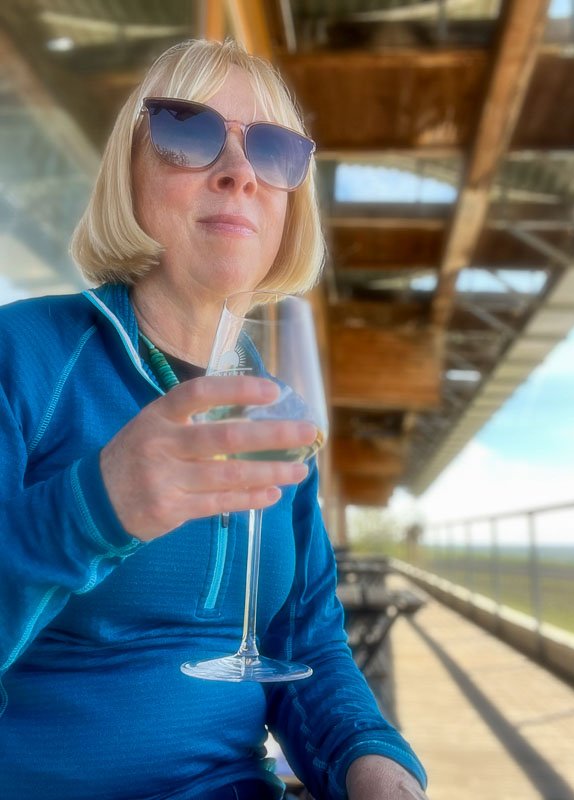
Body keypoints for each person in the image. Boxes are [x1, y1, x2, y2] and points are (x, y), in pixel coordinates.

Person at [0, 39, 428, 800]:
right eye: (187, 132)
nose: (239, 172)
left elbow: (307, 645)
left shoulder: (275, 408)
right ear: (128, 171)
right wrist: (90, 510)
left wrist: (376, 765)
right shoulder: (24, 355)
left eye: (273, 149)